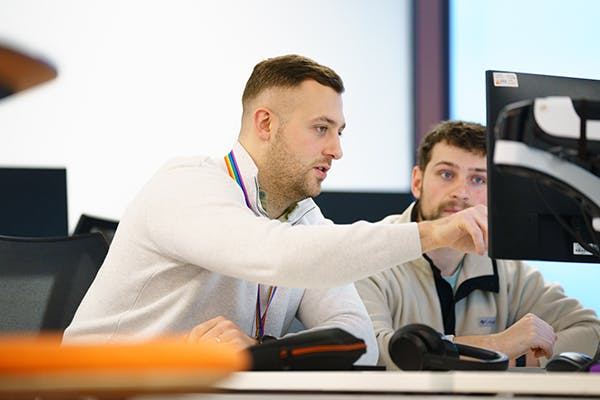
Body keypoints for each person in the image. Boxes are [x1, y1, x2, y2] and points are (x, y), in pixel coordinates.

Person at [63, 55, 488, 366]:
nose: (337, 150)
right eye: (321, 129)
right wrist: (433, 233)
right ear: (265, 124)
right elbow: (276, 255)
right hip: (101, 391)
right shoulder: (185, 184)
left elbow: (360, 342)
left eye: (339, 132)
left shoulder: (302, 219)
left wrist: (260, 350)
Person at [355, 120, 600, 369]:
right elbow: (370, 352)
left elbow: (591, 332)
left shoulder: (505, 266)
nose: (461, 192)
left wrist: (514, 359)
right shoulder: (372, 253)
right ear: (417, 182)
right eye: (446, 174)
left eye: (478, 179)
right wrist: (496, 347)